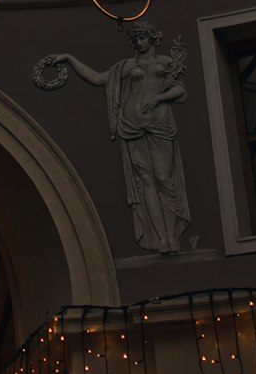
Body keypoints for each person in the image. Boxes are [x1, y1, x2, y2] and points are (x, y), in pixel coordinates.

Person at [53, 23, 191, 253]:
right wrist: (69, 58)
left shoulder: (167, 62)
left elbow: (180, 89)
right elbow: (98, 78)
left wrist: (158, 99)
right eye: (135, 38)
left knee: (164, 180)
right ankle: (161, 240)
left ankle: (172, 235)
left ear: (151, 38)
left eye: (142, 37)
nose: (138, 42)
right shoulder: (127, 66)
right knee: (146, 180)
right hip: (132, 126)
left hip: (160, 125)